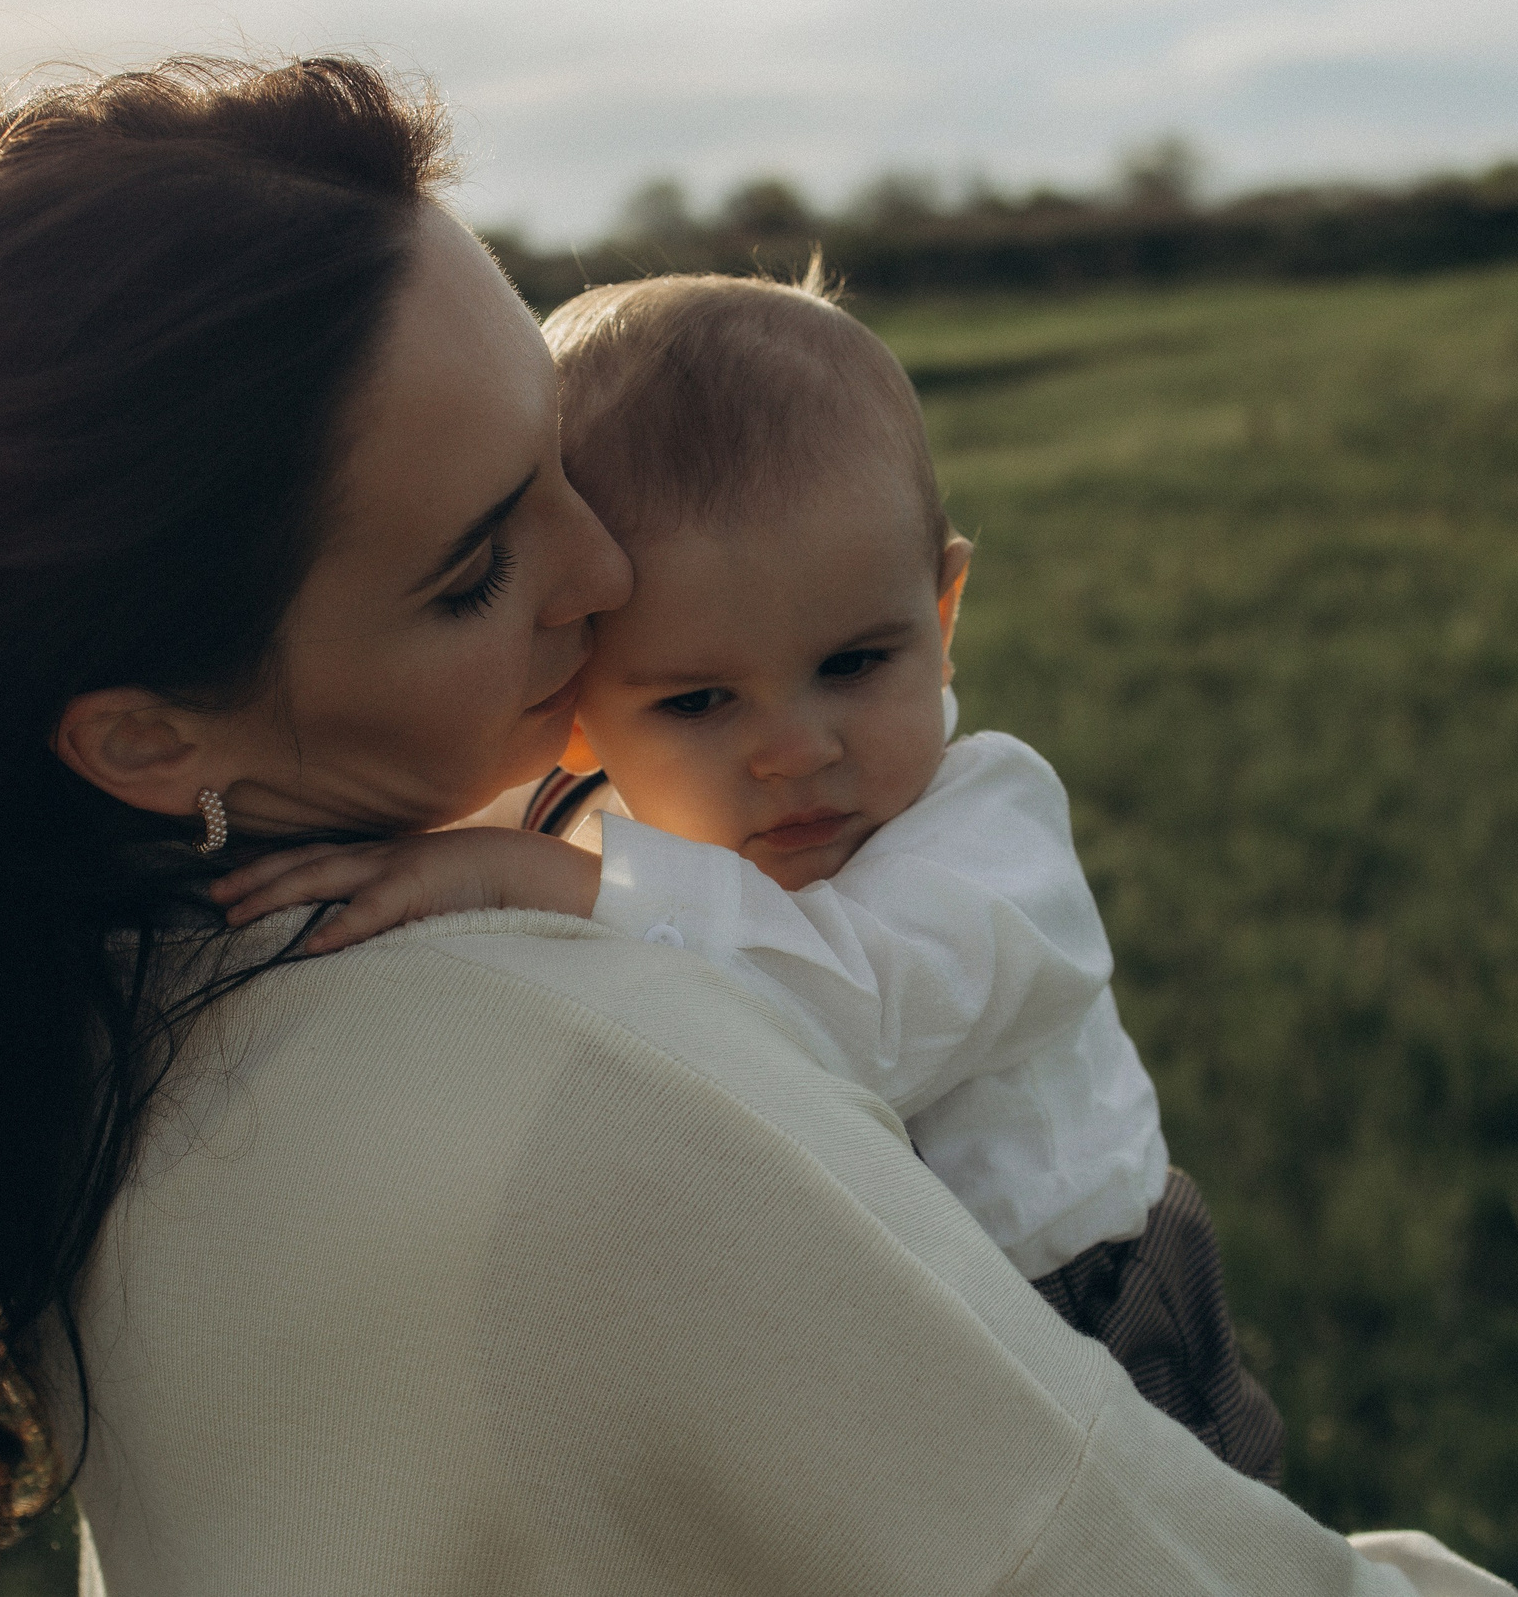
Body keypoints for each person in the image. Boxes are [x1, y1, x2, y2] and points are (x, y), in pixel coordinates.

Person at [0, 54, 1511, 1597]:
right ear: (139, 730)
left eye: (553, 468)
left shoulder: (88, 1021)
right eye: (475, 564)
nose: (604, 576)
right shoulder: (576, 1070)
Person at [211, 270, 1285, 1485]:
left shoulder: (986, 825)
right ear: (576, 708)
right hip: (857, 1316)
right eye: (697, 699)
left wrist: (536, 882)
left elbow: (850, 1015)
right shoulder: (592, 813)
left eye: (853, 661)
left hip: (1072, 1296)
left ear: (944, 610)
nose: (795, 749)